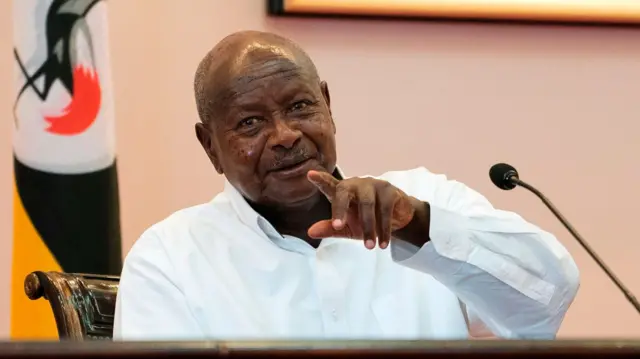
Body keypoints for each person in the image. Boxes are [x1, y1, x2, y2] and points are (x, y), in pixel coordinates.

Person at [113, 30, 579, 341]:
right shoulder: (168, 259)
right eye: (251, 122)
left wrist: (419, 228)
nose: (286, 135)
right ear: (210, 146)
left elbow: (546, 301)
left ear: (328, 106)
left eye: (299, 107)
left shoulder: (425, 199)